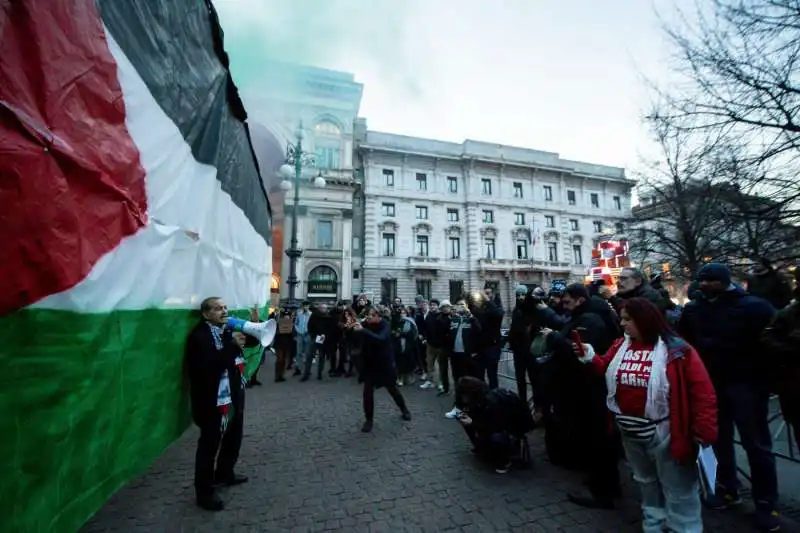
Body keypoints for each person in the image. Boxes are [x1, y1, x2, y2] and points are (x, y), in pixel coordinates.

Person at [579, 297, 717, 533]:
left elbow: (703, 392)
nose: (622, 324)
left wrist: (704, 431)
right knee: (647, 485)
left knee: (678, 489)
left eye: (627, 319)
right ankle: (653, 525)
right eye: (622, 319)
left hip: (666, 432)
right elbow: (606, 368)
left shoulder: (677, 350)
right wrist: (591, 357)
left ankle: (684, 528)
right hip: (630, 432)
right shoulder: (620, 345)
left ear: (644, 320)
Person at [679, 263, 779, 532]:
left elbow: (773, 341)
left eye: (710, 280)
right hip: (711, 385)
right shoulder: (694, 309)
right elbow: (685, 343)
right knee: (714, 440)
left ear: (725, 282)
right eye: (700, 280)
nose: (703, 285)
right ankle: (724, 489)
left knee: (756, 446)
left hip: (747, 383)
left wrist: (768, 377)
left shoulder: (755, 307)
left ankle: (766, 504)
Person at [185, 297, 253, 511]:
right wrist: (232, 346)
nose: (224, 311)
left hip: (233, 395)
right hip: (211, 401)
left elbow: (250, 344)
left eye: (225, 307)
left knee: (233, 437)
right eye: (218, 308)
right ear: (206, 314)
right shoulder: (200, 337)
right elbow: (211, 367)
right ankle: (204, 492)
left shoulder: (225, 331)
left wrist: (252, 328)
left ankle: (225, 473)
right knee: (209, 446)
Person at [455, 376, 536, 474]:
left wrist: (473, 422)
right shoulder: (481, 400)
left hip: (514, 426)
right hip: (501, 423)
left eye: (464, 396)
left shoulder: (491, 402)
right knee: (466, 420)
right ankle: (483, 447)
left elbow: (494, 426)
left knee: (496, 435)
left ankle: (505, 458)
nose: (463, 398)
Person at [349, 306, 411, 432]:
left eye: (372, 315)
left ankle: (404, 409)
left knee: (392, 389)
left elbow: (380, 339)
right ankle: (369, 419)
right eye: (368, 315)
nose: (369, 317)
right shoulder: (365, 324)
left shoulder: (385, 325)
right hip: (370, 364)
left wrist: (363, 331)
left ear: (379, 316)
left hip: (384, 364)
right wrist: (352, 329)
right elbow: (355, 338)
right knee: (367, 392)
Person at [444, 299, 482, 419]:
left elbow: (479, 331)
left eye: (462, 305)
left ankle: (470, 407)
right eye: (458, 304)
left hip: (467, 356)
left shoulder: (472, 319)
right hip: (455, 355)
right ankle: (458, 407)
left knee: (468, 382)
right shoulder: (453, 319)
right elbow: (446, 333)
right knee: (457, 381)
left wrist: (470, 315)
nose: (460, 307)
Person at [273, 308, 293, 382]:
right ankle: (277, 376)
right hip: (279, 344)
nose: (286, 317)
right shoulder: (278, 324)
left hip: (286, 344)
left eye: (287, 316)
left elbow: (292, 335)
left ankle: (281, 375)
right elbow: (275, 333)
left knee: (284, 360)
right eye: (285, 316)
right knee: (279, 359)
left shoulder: (290, 324)